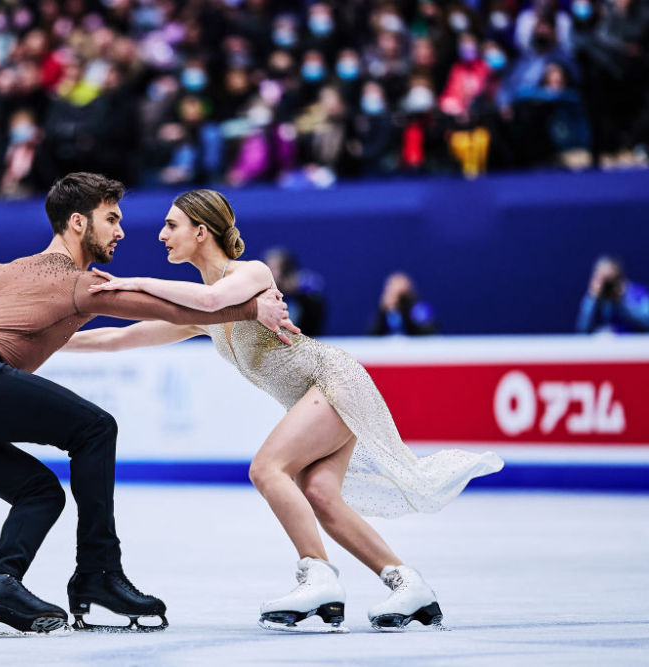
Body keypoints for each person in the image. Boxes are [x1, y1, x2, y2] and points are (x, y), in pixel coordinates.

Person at [63, 189, 503, 632]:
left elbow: (214, 300)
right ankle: (407, 582)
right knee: (322, 496)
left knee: (267, 468)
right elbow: (116, 338)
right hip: (318, 394)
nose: (161, 235)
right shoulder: (200, 312)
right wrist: (38, 345)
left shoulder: (251, 273)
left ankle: (318, 576)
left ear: (201, 232)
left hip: (332, 381)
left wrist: (132, 282)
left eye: (171, 226)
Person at [0, 173, 294, 635]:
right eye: (111, 219)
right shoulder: (80, 284)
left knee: (39, 492)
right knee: (95, 428)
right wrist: (249, 311)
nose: (121, 231)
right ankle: (98, 575)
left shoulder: (1, 273)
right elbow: (173, 311)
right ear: (78, 224)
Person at [263, 247, 327, 337]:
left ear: (286, 270)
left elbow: (312, 328)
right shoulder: (267, 294)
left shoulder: (308, 294)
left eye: (272, 268)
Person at [576, 256, 649, 333]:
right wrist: (592, 299)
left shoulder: (639, 294)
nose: (607, 286)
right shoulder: (598, 298)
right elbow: (582, 330)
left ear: (619, 278)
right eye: (603, 280)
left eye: (610, 281)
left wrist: (621, 303)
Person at [369, 272, 438, 336]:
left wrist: (405, 308)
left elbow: (428, 332)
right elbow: (372, 335)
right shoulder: (384, 310)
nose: (393, 293)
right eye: (390, 288)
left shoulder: (418, 308)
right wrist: (385, 311)